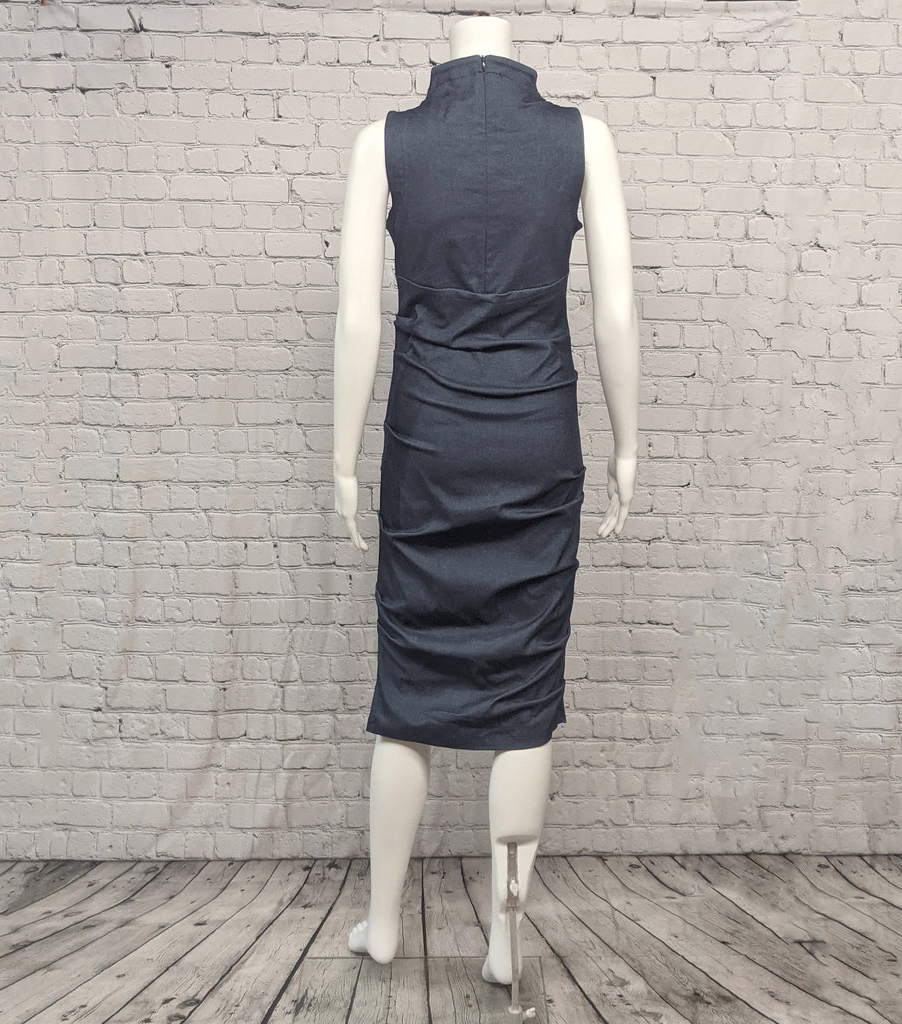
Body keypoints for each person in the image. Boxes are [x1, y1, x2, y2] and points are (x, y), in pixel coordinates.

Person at [332, 12, 639, 991]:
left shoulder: (385, 141)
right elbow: (615, 309)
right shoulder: (582, 137)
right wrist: (630, 441)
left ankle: (385, 923)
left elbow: (356, 317)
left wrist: (341, 461)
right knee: (522, 695)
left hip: (427, 444)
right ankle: (505, 936)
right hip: (538, 434)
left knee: (407, 686)